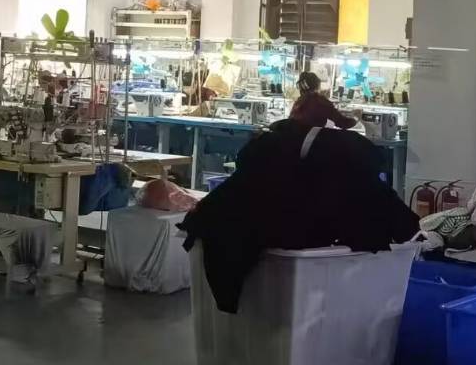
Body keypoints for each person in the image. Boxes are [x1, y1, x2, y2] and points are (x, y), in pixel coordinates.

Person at [179, 96, 418, 314]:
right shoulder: (344, 153)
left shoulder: (270, 144)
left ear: (296, 110)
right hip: (327, 240)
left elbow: (241, 175)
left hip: (259, 235)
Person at [292, 71, 358, 129]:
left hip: (298, 138)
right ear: (317, 86)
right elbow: (344, 123)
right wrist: (356, 117)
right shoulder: (320, 102)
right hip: (312, 138)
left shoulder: (298, 103)